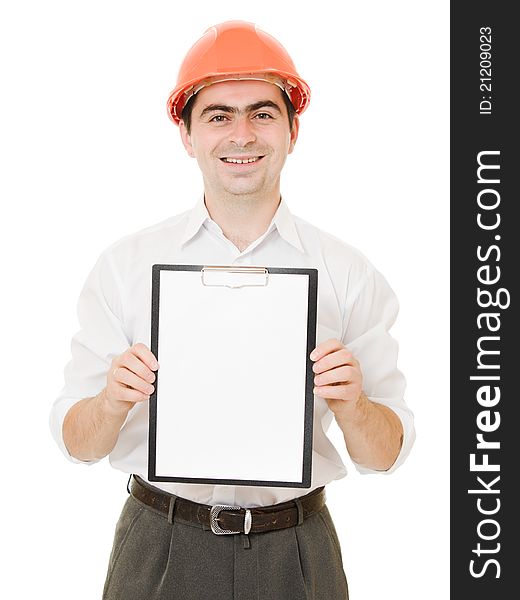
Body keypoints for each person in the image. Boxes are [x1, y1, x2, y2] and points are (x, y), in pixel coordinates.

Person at [50, 20, 415, 600]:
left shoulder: (348, 273)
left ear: (293, 131)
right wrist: (112, 398)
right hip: (160, 545)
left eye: (262, 113)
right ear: (188, 135)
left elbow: (386, 454)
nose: (241, 134)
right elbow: (78, 443)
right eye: (218, 115)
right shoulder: (125, 266)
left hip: (297, 549)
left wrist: (354, 404)